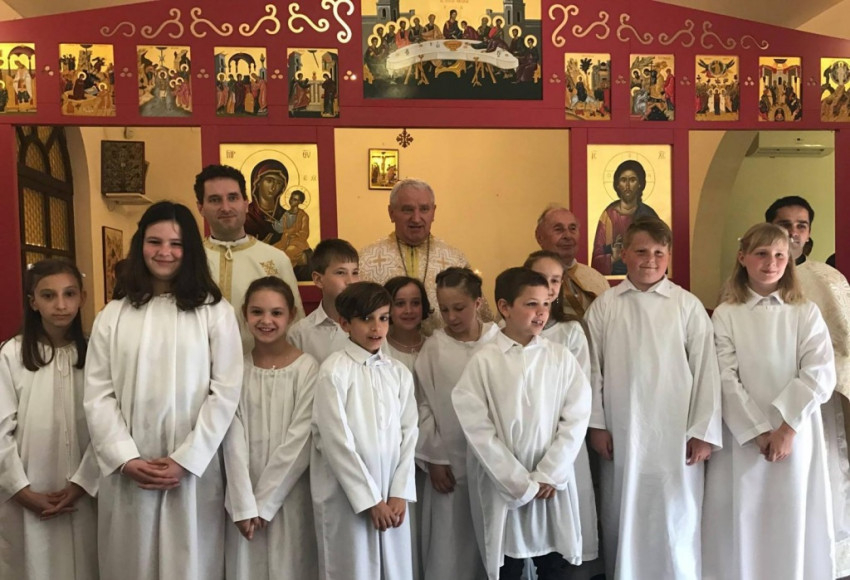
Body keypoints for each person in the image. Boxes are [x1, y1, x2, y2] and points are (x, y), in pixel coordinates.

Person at [84, 201, 243, 580]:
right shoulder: (114, 315)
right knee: (131, 563)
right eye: (154, 242)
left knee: (190, 564)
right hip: (130, 470)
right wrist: (125, 458)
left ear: (191, 250)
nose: (165, 252)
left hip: (191, 472)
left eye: (176, 244)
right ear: (140, 245)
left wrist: (187, 459)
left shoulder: (214, 312)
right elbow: (98, 394)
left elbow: (225, 391)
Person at [584, 217, 721, 580]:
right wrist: (596, 425)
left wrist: (703, 431)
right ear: (623, 254)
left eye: (659, 252)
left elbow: (706, 370)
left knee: (677, 515)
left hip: (677, 434)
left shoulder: (687, 305)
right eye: (641, 251)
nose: (650, 259)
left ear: (669, 256)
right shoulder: (605, 306)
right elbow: (592, 370)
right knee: (623, 511)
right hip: (622, 429)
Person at [703, 222, 835, 579]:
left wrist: (786, 430)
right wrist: (758, 431)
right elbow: (724, 377)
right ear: (742, 257)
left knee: (791, 513)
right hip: (744, 436)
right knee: (744, 514)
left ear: (789, 260)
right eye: (761, 253)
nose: (771, 262)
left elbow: (819, 372)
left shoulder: (804, 311)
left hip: (795, 432)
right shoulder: (727, 314)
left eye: (779, 255)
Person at [452, 267, 591, 580]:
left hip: (550, 483)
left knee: (553, 564)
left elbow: (576, 416)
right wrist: (516, 481)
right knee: (508, 565)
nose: (541, 312)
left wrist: (549, 473)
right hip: (505, 485)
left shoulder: (560, 357)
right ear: (504, 307)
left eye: (546, 304)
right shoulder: (484, 360)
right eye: (531, 304)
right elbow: (477, 427)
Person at [310, 282, 418, 580]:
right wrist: (370, 499)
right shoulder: (334, 371)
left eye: (383, 318)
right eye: (366, 318)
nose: (376, 327)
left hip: (391, 495)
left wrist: (399, 492)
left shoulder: (398, 372)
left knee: (394, 569)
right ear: (345, 323)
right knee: (354, 568)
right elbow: (336, 442)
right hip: (348, 497)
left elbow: (409, 435)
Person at [766, 195, 850, 575]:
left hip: (818, 403)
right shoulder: (753, 280)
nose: (793, 233)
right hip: (764, 402)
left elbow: (844, 342)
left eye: (801, 225)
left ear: (809, 233)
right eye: (784, 225)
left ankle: (820, 561)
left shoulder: (826, 278)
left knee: (822, 479)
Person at [0, 260, 99, 580]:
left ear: (82, 297)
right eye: (48, 295)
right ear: (33, 302)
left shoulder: (96, 353)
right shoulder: (11, 355)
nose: (60, 304)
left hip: (85, 491)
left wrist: (83, 482)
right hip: (26, 489)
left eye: (69, 294)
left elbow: (106, 425)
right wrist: (21, 490)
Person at [222, 276, 318, 580]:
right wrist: (244, 503)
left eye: (276, 312)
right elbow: (231, 438)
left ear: (292, 315)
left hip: (290, 494)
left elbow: (300, 440)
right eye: (257, 312)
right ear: (244, 314)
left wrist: (265, 502)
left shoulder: (307, 368)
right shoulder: (235, 370)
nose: (266, 321)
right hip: (243, 497)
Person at [415, 267, 500, 580]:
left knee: (492, 538)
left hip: (495, 463)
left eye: (459, 308)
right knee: (451, 544)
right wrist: (435, 458)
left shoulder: (499, 341)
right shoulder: (434, 348)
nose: (451, 317)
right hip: (451, 463)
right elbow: (422, 404)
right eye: (444, 309)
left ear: (478, 302)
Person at [524, 251, 599, 567]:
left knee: (561, 534)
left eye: (556, 280)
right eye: (542, 279)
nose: (550, 287)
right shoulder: (503, 332)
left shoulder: (571, 331)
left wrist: (557, 451)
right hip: (522, 444)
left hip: (563, 444)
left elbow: (580, 395)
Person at [360, 178, 493, 334]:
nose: (416, 218)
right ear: (391, 213)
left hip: (445, 347)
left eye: (424, 209)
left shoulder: (455, 259)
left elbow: (481, 319)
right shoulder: (366, 261)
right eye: (407, 210)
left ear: (433, 212)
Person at [196, 164, 303, 352]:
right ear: (201, 208)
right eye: (215, 200)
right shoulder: (189, 259)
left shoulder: (276, 259)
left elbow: (295, 328)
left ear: (246, 203)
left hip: (261, 366)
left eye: (233, 198)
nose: (225, 207)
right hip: (199, 365)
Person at [287, 238, 360, 363]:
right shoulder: (300, 334)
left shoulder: (370, 325)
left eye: (355, 273)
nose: (350, 281)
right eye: (341, 272)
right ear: (318, 280)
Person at [535, 205, 609, 318]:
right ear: (540, 237)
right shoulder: (525, 280)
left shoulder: (596, 278)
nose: (568, 236)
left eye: (573, 228)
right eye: (558, 229)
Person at [592, 160, 660, 276]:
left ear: (640, 184)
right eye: (623, 180)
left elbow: (660, 252)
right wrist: (613, 257)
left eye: (632, 180)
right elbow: (596, 259)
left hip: (643, 275)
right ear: (617, 185)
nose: (627, 186)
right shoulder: (608, 215)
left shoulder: (648, 215)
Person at [383, 276, 430, 371]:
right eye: (400, 304)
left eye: (415, 303)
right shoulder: (381, 351)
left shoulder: (434, 347)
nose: (409, 310)